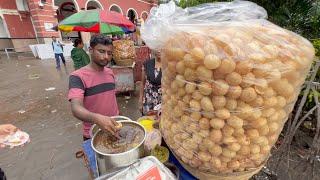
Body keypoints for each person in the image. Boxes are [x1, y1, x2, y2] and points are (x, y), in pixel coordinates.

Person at [68, 35, 119, 141]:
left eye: (109, 53)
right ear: (91, 50)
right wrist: (97, 118)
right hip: (93, 134)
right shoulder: (77, 76)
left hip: (114, 128)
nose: (106, 56)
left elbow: (111, 99)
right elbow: (76, 108)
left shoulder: (110, 72)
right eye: (101, 51)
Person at [139, 51, 162, 115]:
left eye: (161, 48)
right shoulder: (147, 64)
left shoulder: (169, 66)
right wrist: (140, 100)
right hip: (148, 100)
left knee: (159, 122)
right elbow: (142, 82)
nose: (159, 51)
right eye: (157, 48)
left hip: (161, 102)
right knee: (147, 120)